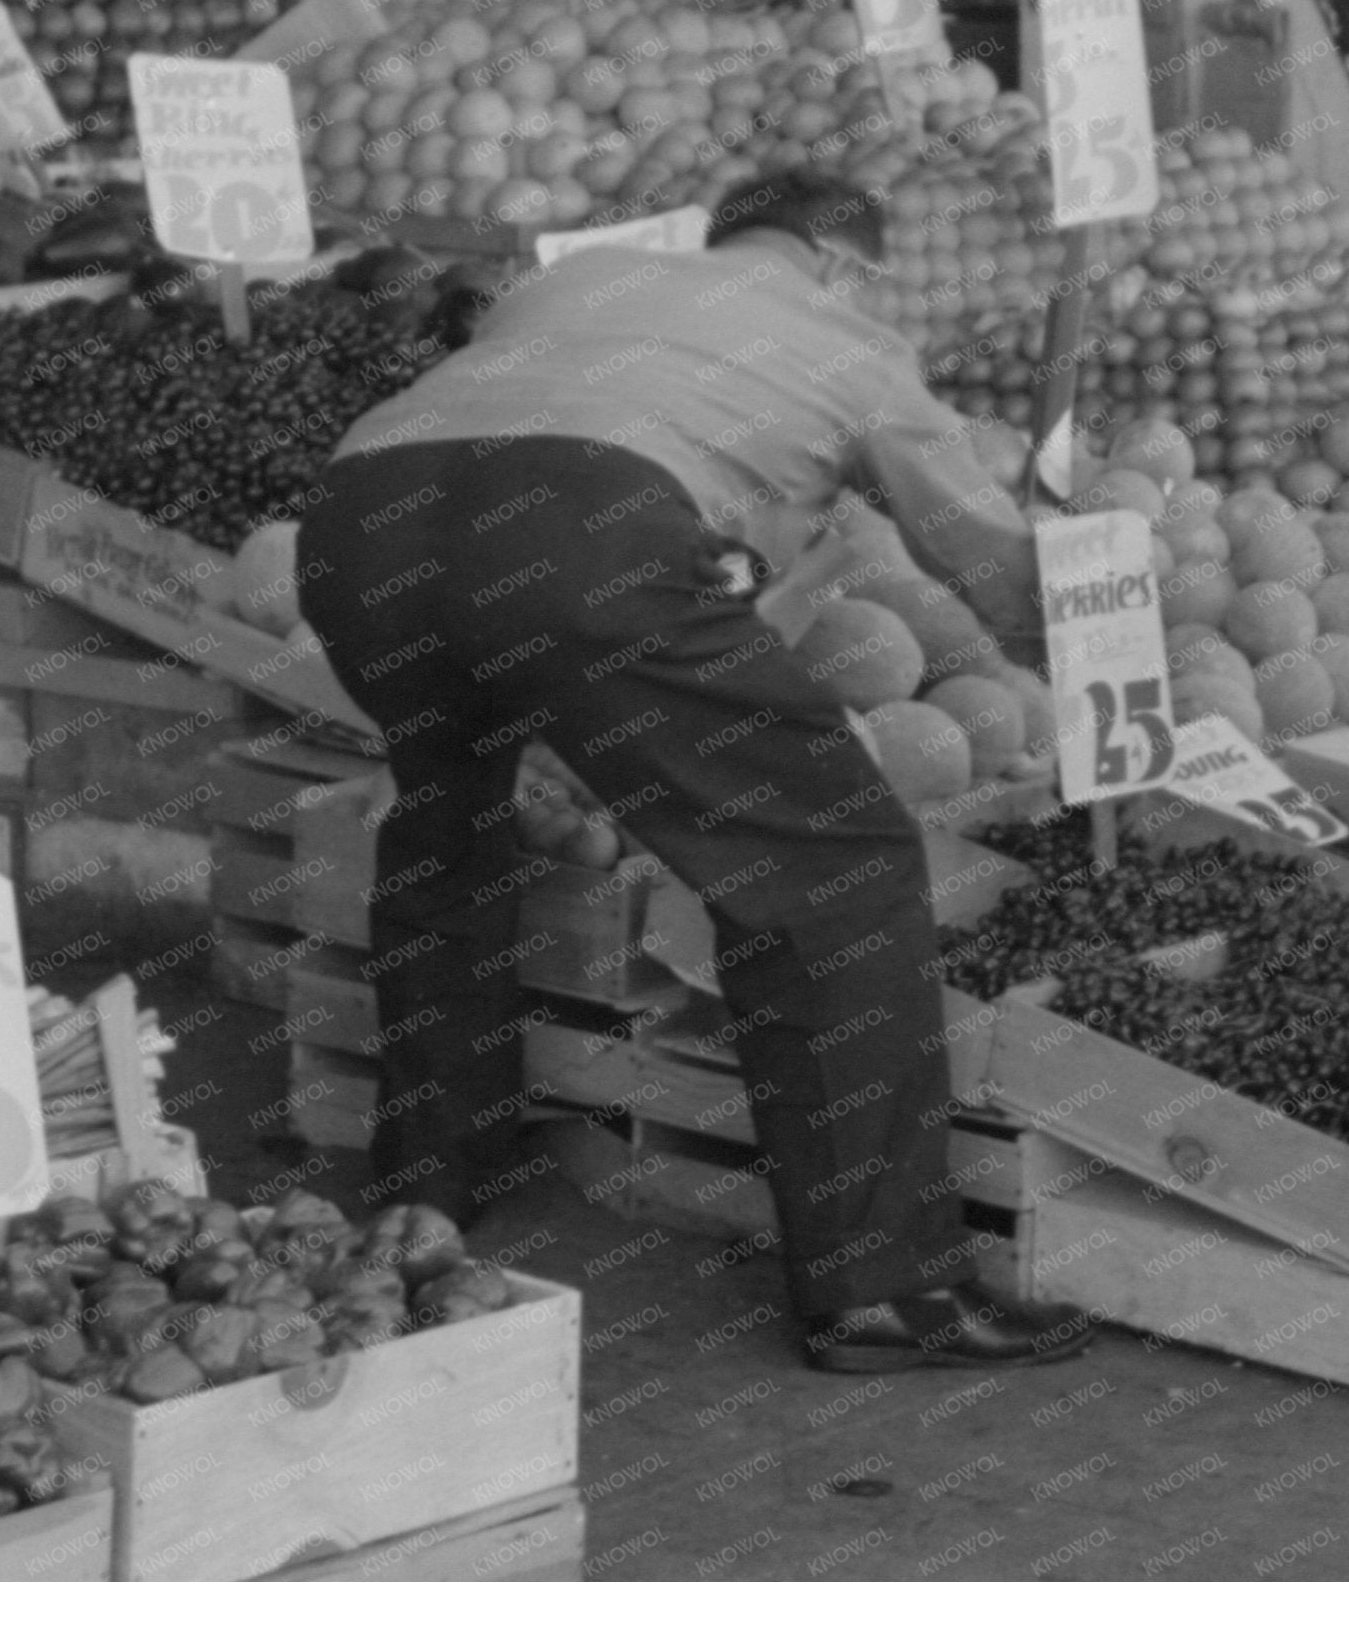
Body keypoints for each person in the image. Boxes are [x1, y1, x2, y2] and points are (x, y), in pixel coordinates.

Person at [293, 173, 1087, 1374]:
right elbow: (988, 560)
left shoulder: (582, 275)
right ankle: (883, 1285)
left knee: (449, 820)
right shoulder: (848, 336)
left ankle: (432, 1180)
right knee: (836, 860)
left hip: (359, 524)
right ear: (844, 263)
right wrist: (1104, 641)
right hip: (584, 531)